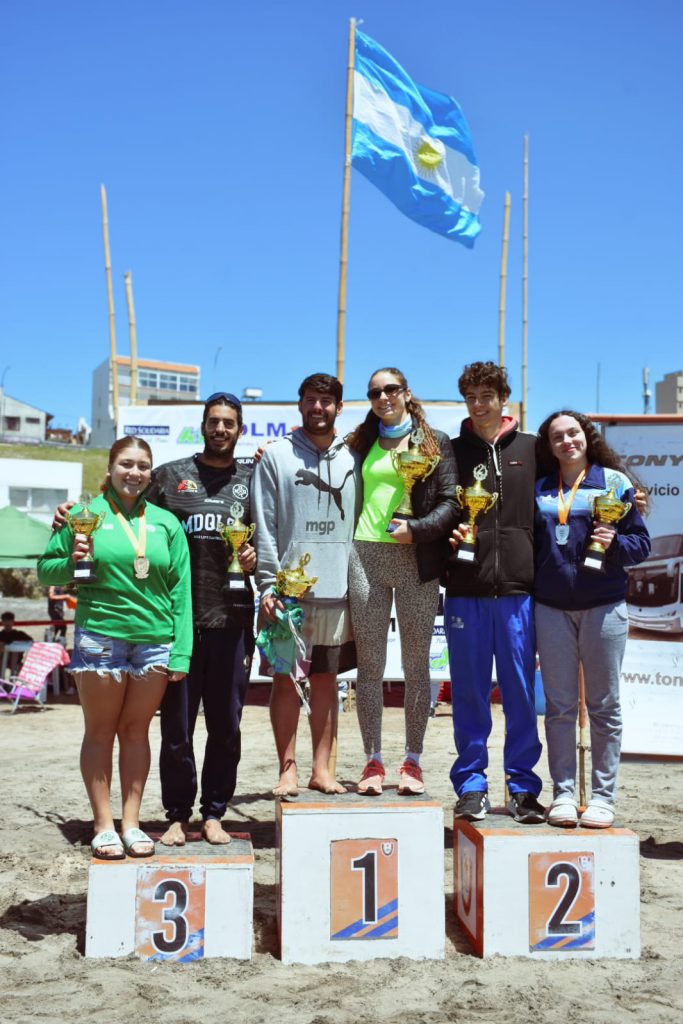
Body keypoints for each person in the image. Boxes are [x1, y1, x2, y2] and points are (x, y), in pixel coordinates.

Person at [38, 437, 192, 859]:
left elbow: (181, 591)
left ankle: (131, 823)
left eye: (143, 466)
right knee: (101, 730)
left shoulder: (165, 522)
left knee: (137, 732)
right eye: (126, 463)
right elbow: (45, 569)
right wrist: (73, 557)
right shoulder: (82, 516)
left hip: (155, 641)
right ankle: (103, 825)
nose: (135, 473)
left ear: (151, 473)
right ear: (109, 467)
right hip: (100, 637)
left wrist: (182, 650)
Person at [146, 392, 256, 846]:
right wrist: (71, 518)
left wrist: (255, 557)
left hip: (232, 621)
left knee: (226, 726)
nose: (220, 429)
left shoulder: (254, 479)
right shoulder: (169, 477)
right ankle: (177, 814)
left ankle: (214, 812)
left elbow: (276, 535)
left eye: (229, 423)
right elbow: (121, 506)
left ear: (240, 429)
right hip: (179, 626)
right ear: (203, 425)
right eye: (214, 421)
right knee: (176, 728)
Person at [534, 410, 650, 828]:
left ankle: (603, 797)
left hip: (604, 607)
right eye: (557, 437)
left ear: (587, 437)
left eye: (573, 433)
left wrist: (614, 541)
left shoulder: (616, 484)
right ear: (548, 446)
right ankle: (563, 794)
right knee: (559, 708)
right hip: (550, 609)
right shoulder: (541, 490)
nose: (567, 441)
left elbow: (641, 545)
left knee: (604, 706)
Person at [347, 367, 458, 795]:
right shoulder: (360, 441)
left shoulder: (435, 443)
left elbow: (451, 502)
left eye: (390, 389)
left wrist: (419, 529)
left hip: (416, 557)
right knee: (370, 666)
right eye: (374, 391)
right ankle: (372, 760)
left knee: (416, 666)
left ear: (407, 393)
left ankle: (412, 760)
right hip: (366, 554)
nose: (383, 396)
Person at [443, 362, 545, 823]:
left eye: (487, 395)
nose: (479, 404)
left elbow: (582, 480)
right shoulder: (449, 451)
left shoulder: (533, 449)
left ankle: (522, 787)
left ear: (504, 398)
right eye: (471, 397)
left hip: (520, 593)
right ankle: (472, 784)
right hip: (466, 590)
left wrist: (633, 495)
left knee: (521, 694)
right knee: (468, 693)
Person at [252, 372, 360, 796]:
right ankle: (288, 770)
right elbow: (264, 524)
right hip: (287, 594)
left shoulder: (354, 456)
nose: (319, 407)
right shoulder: (275, 456)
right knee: (284, 681)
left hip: (337, 590)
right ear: (299, 404)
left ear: (338, 407)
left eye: (327, 401)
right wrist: (267, 586)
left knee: (325, 683)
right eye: (311, 400)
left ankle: (322, 769)